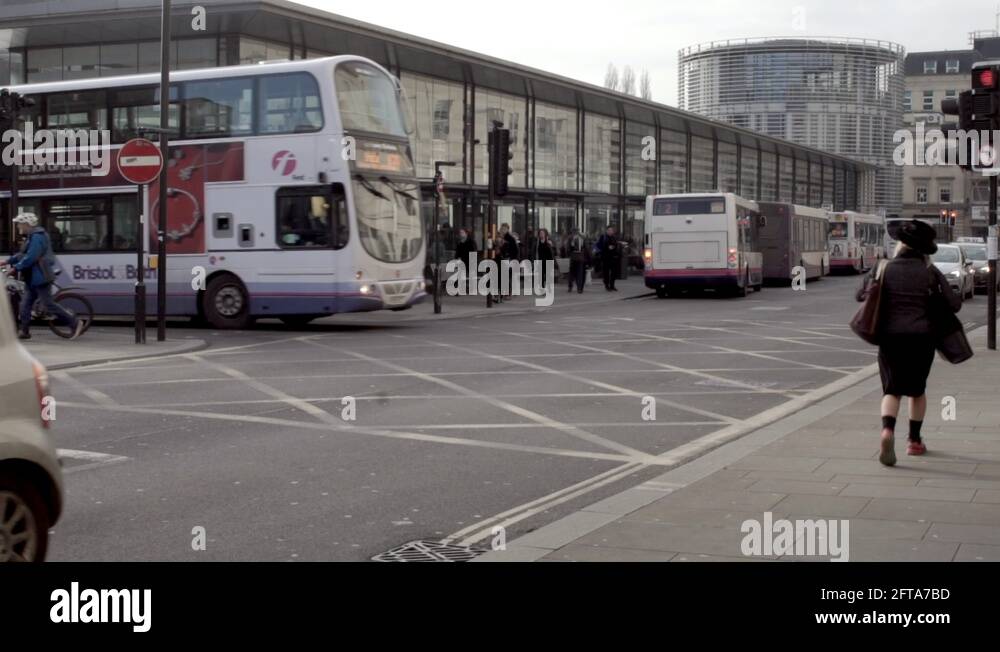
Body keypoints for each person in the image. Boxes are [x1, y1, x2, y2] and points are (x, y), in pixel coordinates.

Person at [856, 220, 961, 466]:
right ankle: (914, 441)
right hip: (922, 339)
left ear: (900, 245)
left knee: (891, 389)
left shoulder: (884, 268)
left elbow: (860, 295)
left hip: (890, 338)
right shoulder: (929, 272)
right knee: (917, 390)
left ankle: (887, 431)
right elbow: (954, 304)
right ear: (924, 249)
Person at [4, 213, 84, 341]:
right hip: (31, 277)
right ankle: (24, 331)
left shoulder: (37, 237)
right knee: (25, 305)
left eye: (19, 223)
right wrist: (7, 261)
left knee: (48, 304)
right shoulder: (30, 237)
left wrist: (15, 268)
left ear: (26, 224)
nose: (18, 226)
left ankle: (75, 323)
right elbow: (22, 255)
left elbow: (31, 257)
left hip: (41, 275)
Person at [595, 225, 622, 291]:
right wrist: (607, 248)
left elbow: (616, 245)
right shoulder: (603, 237)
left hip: (613, 257)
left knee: (614, 272)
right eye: (609, 230)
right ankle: (607, 285)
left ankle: (612, 285)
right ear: (606, 231)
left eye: (611, 230)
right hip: (606, 257)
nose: (610, 232)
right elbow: (598, 246)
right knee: (606, 272)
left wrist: (615, 248)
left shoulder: (614, 237)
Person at [454, 228, 477, 293]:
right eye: (460, 233)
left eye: (462, 232)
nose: (460, 234)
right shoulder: (459, 242)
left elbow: (474, 251)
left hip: (470, 260)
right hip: (462, 260)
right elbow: (457, 251)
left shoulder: (471, 241)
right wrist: (457, 258)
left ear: (466, 233)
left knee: (471, 275)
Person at [565, 228, 587, 293]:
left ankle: (579, 288)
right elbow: (568, 248)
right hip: (573, 257)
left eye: (577, 231)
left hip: (580, 257)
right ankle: (570, 286)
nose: (576, 233)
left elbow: (585, 247)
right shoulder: (570, 238)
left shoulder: (582, 238)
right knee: (572, 273)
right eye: (575, 231)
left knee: (579, 273)